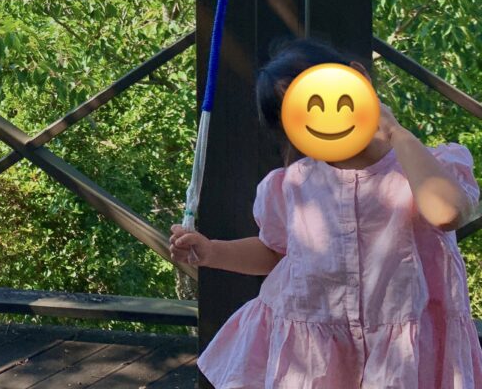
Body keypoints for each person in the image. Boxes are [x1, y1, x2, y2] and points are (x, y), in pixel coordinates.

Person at [170, 38, 482, 388]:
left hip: (402, 356)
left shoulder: (427, 166)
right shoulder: (292, 185)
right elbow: (275, 252)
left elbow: (448, 213)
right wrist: (213, 251)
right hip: (317, 354)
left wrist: (395, 132)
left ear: (359, 79)